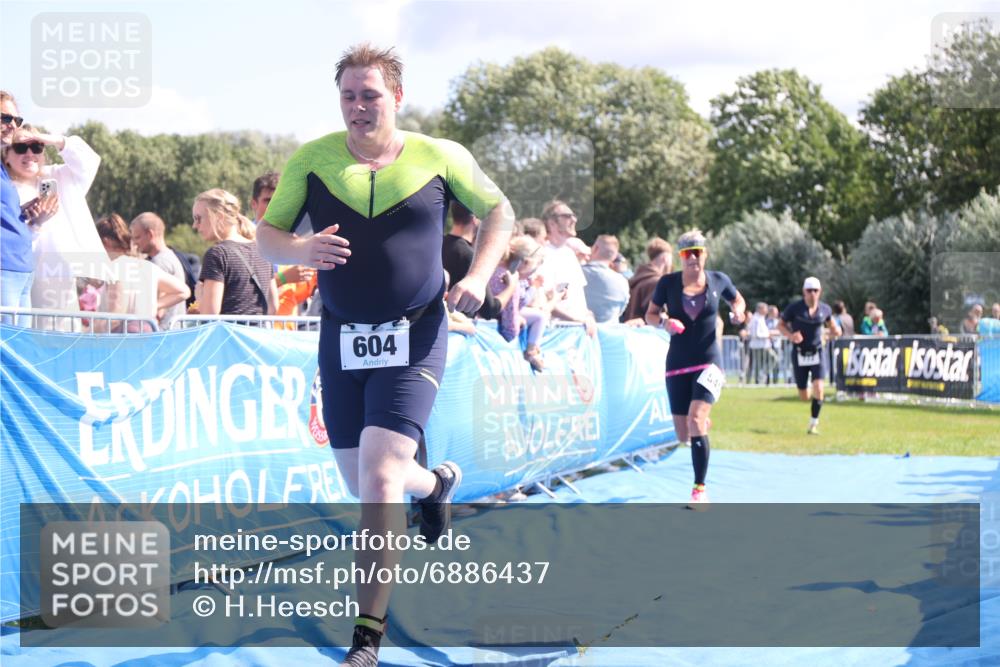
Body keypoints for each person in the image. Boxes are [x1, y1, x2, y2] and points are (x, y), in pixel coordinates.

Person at [254, 43, 513, 667]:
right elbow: (266, 237)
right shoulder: (312, 160)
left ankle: (366, 637)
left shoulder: (439, 156)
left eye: (370, 94)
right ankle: (436, 484)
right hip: (341, 335)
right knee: (366, 480)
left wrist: (477, 276)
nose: (358, 106)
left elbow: (498, 211)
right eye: (348, 95)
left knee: (377, 476)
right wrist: (301, 249)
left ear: (396, 96)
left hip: (417, 330)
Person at [645, 230, 746, 507]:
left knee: (695, 420)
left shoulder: (719, 280)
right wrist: (665, 321)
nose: (693, 259)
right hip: (677, 364)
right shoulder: (667, 283)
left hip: (709, 362)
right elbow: (650, 315)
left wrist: (739, 311)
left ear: (705, 254)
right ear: (680, 258)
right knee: (683, 434)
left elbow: (737, 299)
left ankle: (699, 489)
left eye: (698, 253)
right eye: (687, 254)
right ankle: (700, 425)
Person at [0, 91, 59, 325]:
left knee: (18, 347)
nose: (12, 125)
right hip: (4, 269)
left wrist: (26, 211)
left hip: (21, 269)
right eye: (5, 118)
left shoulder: (3, 170)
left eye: (17, 120)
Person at [93, 214, 189, 332]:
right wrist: (154, 305)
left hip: (122, 341)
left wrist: (88, 331)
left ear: (105, 243)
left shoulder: (116, 268)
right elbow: (183, 291)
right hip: (147, 335)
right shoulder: (148, 266)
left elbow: (115, 316)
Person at [192, 188, 277, 317]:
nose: (195, 225)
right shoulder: (262, 249)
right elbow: (273, 307)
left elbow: (210, 313)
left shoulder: (217, 253)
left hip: (228, 336)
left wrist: (200, 296)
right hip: (257, 334)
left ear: (218, 217)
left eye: (198, 218)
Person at [778, 277, 841, 435]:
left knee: (819, 388)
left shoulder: (825, 309)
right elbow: (780, 325)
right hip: (799, 353)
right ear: (804, 292)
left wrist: (831, 334)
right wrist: (791, 336)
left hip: (818, 352)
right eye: (809, 290)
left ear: (820, 292)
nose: (812, 294)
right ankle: (808, 396)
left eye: (815, 290)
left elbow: (834, 328)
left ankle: (813, 423)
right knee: (804, 395)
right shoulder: (794, 308)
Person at [442, 202, 515, 319]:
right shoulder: (471, 256)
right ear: (475, 219)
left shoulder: (438, 244)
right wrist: (511, 286)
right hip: (458, 327)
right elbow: (489, 310)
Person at [537, 200, 596, 336]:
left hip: (577, 335)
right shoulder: (541, 254)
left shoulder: (569, 254)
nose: (574, 219)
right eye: (567, 216)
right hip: (552, 335)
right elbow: (543, 301)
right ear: (552, 223)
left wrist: (588, 317)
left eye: (573, 215)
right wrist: (577, 320)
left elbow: (579, 298)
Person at [130, 212, 187, 330]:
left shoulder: (159, 263)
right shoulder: (169, 257)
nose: (135, 243)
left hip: (162, 332)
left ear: (150, 234)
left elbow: (157, 309)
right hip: (172, 330)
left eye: (137, 237)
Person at [582, 234, 630, 324]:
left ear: (595, 248)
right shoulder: (622, 281)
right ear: (614, 256)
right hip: (610, 333)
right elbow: (621, 310)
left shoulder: (577, 273)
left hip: (578, 333)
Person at [622, 237, 671, 323]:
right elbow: (658, 316)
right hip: (648, 333)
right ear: (665, 258)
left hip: (631, 332)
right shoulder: (658, 282)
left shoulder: (637, 278)